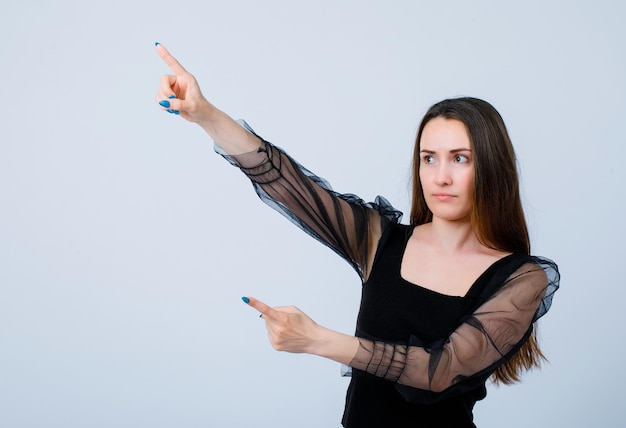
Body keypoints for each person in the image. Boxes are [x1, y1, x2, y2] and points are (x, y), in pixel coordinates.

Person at [154, 43, 560, 427]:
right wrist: (205, 114)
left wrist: (318, 341)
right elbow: (288, 184)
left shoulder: (521, 279)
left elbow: (440, 370)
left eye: (460, 159)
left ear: (490, 166)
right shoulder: (380, 240)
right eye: (428, 158)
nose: (440, 176)